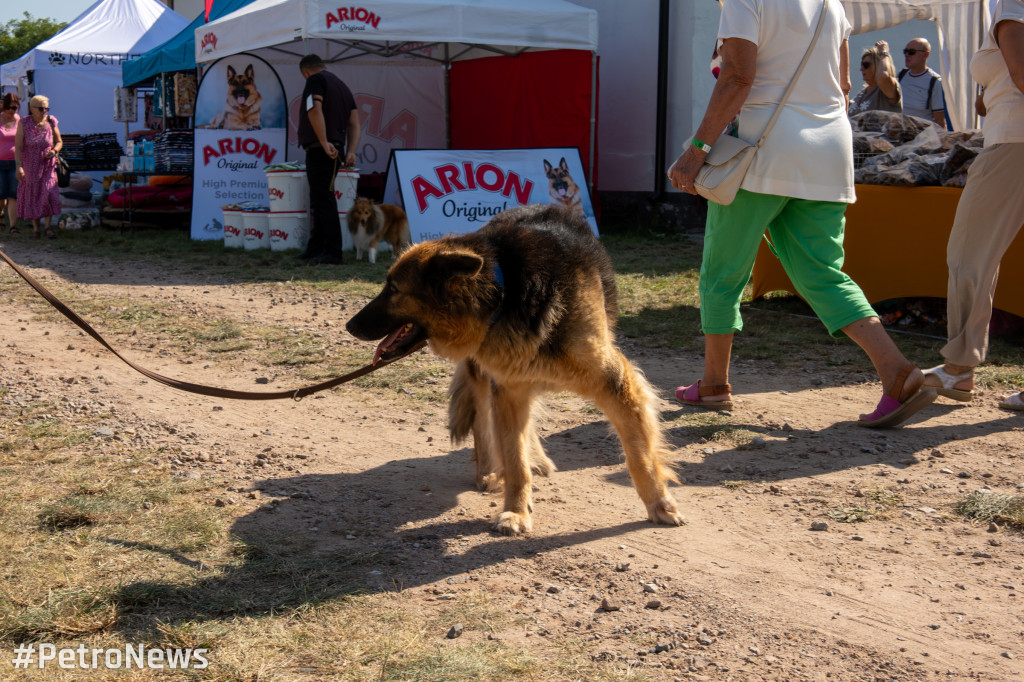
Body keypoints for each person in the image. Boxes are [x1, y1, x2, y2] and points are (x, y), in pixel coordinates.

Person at [667, 0, 936, 428]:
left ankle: (714, 384)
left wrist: (697, 149)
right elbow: (845, 86)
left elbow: (738, 77)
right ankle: (899, 373)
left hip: (763, 151)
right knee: (822, 273)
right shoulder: (831, 3)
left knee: (723, 269)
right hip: (829, 148)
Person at [920, 0, 1024, 412]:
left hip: (1012, 145)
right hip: (1010, 136)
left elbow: (1019, 72)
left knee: (969, 254)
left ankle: (960, 367)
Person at [296, 54, 361, 265]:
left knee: (324, 198)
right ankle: (316, 248)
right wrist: (350, 150)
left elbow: (314, 109)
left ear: (305, 72)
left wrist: (323, 142)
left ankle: (333, 251)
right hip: (338, 147)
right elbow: (354, 123)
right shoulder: (342, 86)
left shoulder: (314, 80)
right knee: (321, 197)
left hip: (321, 148)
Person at [14, 95, 61, 239]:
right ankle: (36, 228)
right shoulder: (24, 123)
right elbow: (18, 146)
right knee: (34, 195)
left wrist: (54, 151)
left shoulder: (51, 122)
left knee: (48, 192)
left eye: (47, 108)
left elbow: (59, 141)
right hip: (30, 165)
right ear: (32, 109)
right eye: (41, 108)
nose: (44, 111)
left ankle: (47, 227)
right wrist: (18, 166)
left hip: (47, 164)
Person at [899, 38, 947, 126]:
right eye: (905, 51)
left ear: (926, 54)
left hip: (921, 136)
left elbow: (940, 121)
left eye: (911, 52)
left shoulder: (935, 82)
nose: (906, 55)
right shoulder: (901, 76)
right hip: (899, 135)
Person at [848, 40, 902, 116]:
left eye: (866, 65)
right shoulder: (861, 94)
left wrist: (883, 53)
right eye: (862, 64)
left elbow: (883, 76)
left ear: (877, 65)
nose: (861, 69)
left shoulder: (886, 90)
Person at [0, 92, 19, 233]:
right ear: (4, 107)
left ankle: (13, 226)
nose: (11, 111)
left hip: (14, 161)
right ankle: (1, 215)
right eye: (9, 108)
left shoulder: (20, 121)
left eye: (14, 108)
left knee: (13, 194)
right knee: (1, 193)